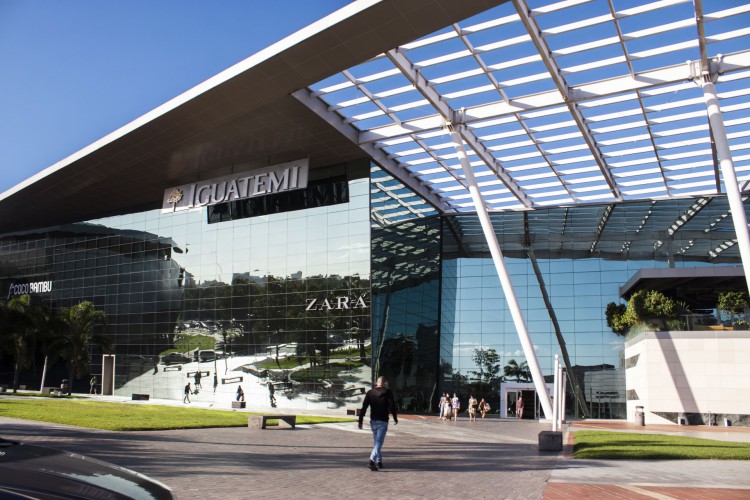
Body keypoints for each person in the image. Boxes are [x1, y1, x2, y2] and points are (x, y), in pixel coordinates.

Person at [358, 376, 398, 471]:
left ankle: (379, 461)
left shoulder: (370, 392)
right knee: (379, 442)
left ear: (377, 382)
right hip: (383, 420)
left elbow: (364, 407)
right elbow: (392, 406)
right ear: (384, 383)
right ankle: (372, 461)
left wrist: (360, 420)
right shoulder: (388, 393)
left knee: (377, 442)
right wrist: (395, 417)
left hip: (373, 421)